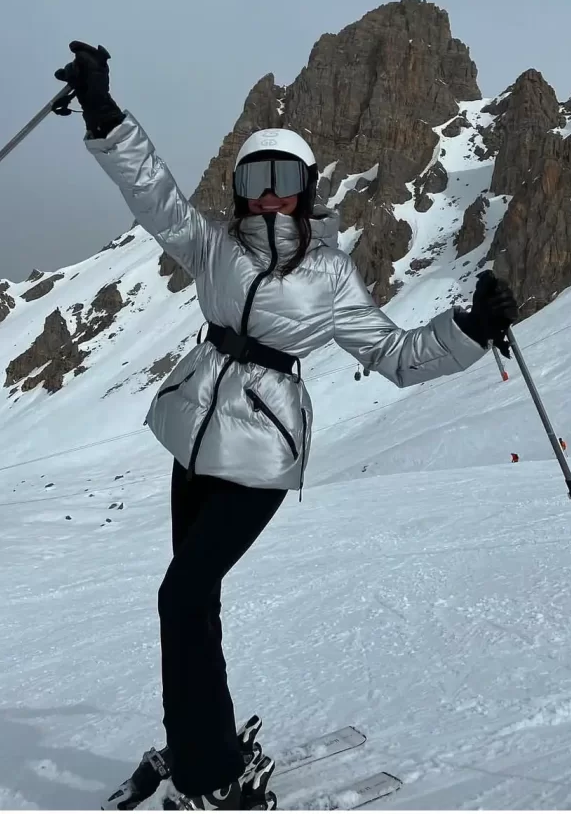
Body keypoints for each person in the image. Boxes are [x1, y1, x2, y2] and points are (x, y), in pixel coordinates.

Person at [55, 42, 519, 810]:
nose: (269, 197)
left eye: (284, 182)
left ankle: (209, 780)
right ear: (239, 191)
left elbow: (394, 354)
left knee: (180, 596)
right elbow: (154, 197)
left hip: (260, 456)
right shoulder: (213, 245)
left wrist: (468, 330)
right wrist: (105, 114)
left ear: (306, 191)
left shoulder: (329, 274)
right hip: (191, 440)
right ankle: (198, 742)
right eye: (254, 181)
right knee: (192, 603)